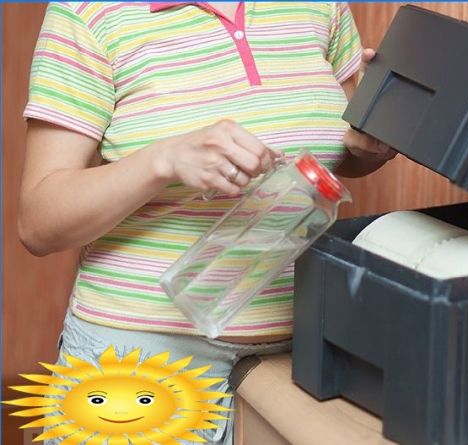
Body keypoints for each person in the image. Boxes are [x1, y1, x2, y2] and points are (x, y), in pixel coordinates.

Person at [18, 2, 395, 443]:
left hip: (299, 361)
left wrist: (372, 145)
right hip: (144, 363)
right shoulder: (88, 14)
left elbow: (342, 150)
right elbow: (38, 223)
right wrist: (162, 160)